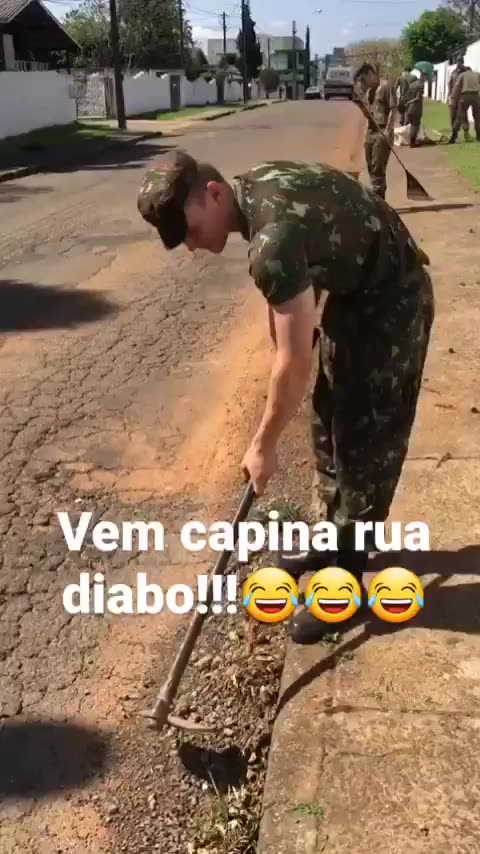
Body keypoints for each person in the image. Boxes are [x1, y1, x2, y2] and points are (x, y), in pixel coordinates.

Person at [137, 149, 434, 644]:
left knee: (364, 448)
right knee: (327, 420)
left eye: (190, 230)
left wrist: (263, 444)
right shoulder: (255, 188)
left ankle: (346, 579)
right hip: (355, 296)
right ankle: (334, 539)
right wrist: (286, 351)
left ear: (213, 193)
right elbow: (289, 302)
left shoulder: (271, 239)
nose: (192, 246)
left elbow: (293, 363)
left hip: (392, 302)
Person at [353, 62, 397, 200]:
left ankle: (379, 201)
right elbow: (369, 114)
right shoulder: (369, 91)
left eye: (364, 80)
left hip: (382, 131)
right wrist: (360, 105)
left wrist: (388, 130)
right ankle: (377, 197)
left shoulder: (386, 86)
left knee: (378, 169)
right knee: (371, 167)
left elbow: (393, 109)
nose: (363, 83)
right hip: (371, 131)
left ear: (370, 74)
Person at [449, 66, 480, 144]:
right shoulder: (477, 74)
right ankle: (478, 136)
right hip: (476, 95)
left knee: (459, 116)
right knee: (477, 117)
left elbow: (457, 87)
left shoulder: (462, 75)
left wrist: (453, 97)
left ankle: (454, 136)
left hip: (465, 95)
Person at [448, 58, 469, 142]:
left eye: (460, 62)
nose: (458, 63)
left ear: (462, 63)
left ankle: (466, 132)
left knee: (463, 115)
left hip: (462, 96)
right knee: (452, 115)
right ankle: (455, 134)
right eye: (457, 62)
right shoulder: (453, 72)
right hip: (454, 97)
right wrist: (449, 95)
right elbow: (450, 84)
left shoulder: (466, 72)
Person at [404, 71, 427, 147]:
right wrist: (410, 102)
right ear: (423, 77)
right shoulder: (421, 85)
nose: (426, 79)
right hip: (416, 108)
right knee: (415, 126)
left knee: (411, 126)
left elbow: (407, 96)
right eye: (426, 78)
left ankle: (410, 141)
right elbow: (418, 98)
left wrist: (407, 103)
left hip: (409, 109)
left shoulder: (412, 85)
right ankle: (412, 143)